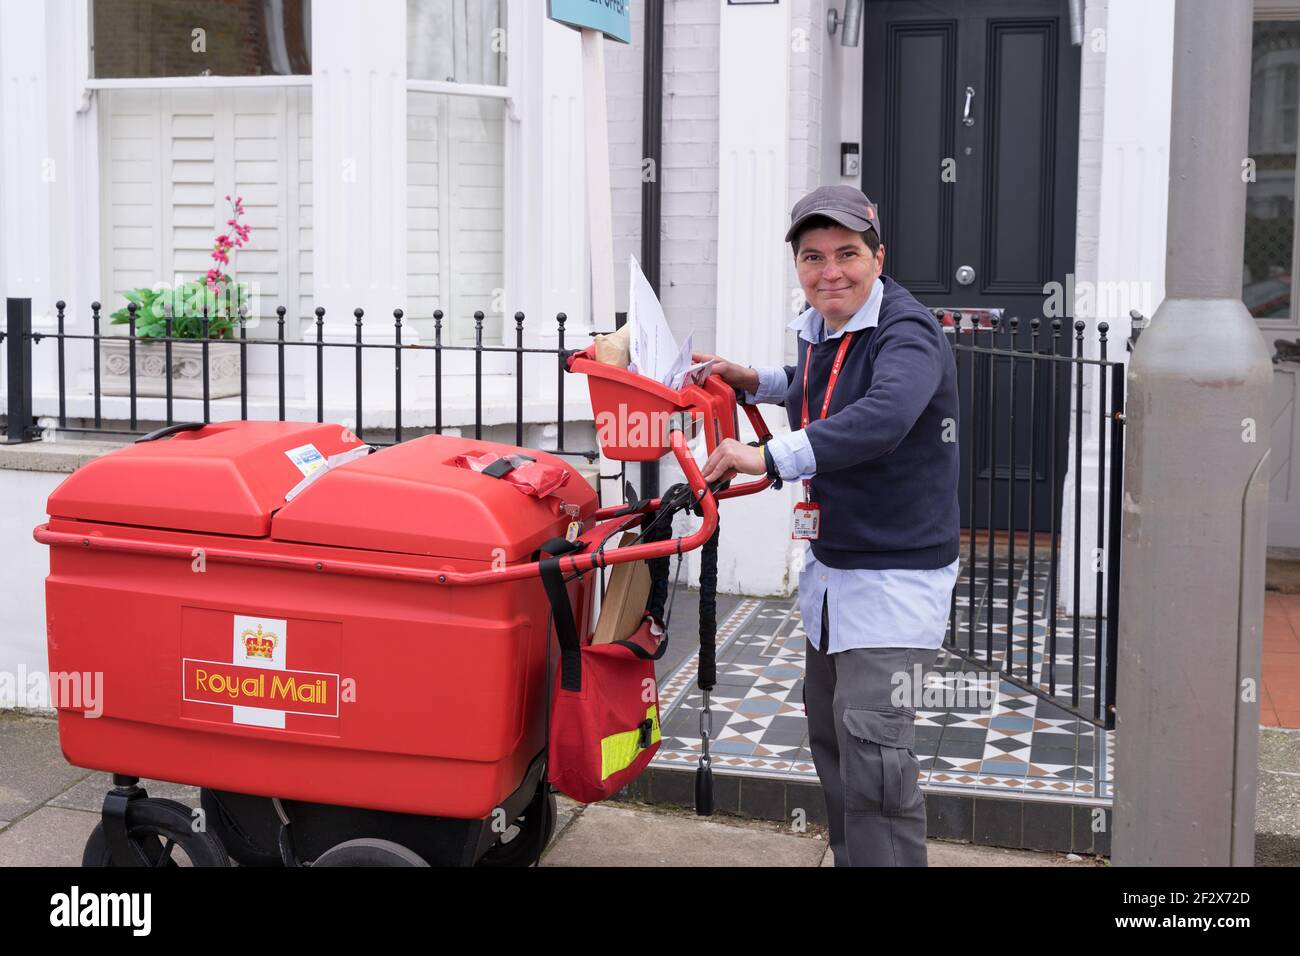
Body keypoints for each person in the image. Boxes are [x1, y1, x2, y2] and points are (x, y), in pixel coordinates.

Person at [697, 184, 960, 866]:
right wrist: (754, 380)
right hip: (834, 577)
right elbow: (819, 381)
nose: (829, 271)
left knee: (876, 764)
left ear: (879, 256)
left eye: (846, 253)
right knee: (834, 742)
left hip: (893, 580)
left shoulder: (908, 330)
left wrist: (767, 454)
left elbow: (884, 414)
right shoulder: (825, 325)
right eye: (812, 257)